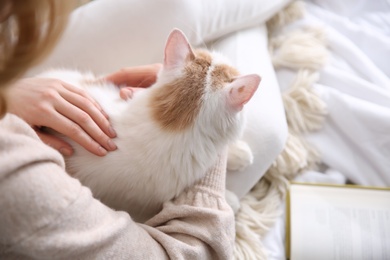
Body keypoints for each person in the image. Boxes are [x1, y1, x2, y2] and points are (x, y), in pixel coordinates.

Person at [0, 1, 235, 259]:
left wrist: (9, 94)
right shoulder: (18, 182)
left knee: (176, 6)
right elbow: (192, 253)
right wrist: (210, 127)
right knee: (268, 133)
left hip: (28, 89)